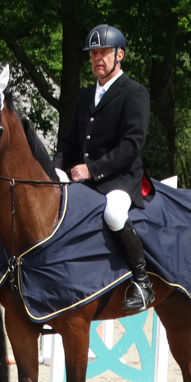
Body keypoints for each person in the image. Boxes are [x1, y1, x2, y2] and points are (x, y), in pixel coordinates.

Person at [52, 23, 154, 311]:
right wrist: (54, 170)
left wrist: (91, 169)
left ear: (119, 55)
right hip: (85, 178)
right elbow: (70, 141)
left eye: (104, 52)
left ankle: (142, 282)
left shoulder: (134, 92)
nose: (98, 58)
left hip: (120, 178)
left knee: (113, 213)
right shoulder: (86, 94)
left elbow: (131, 146)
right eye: (93, 53)